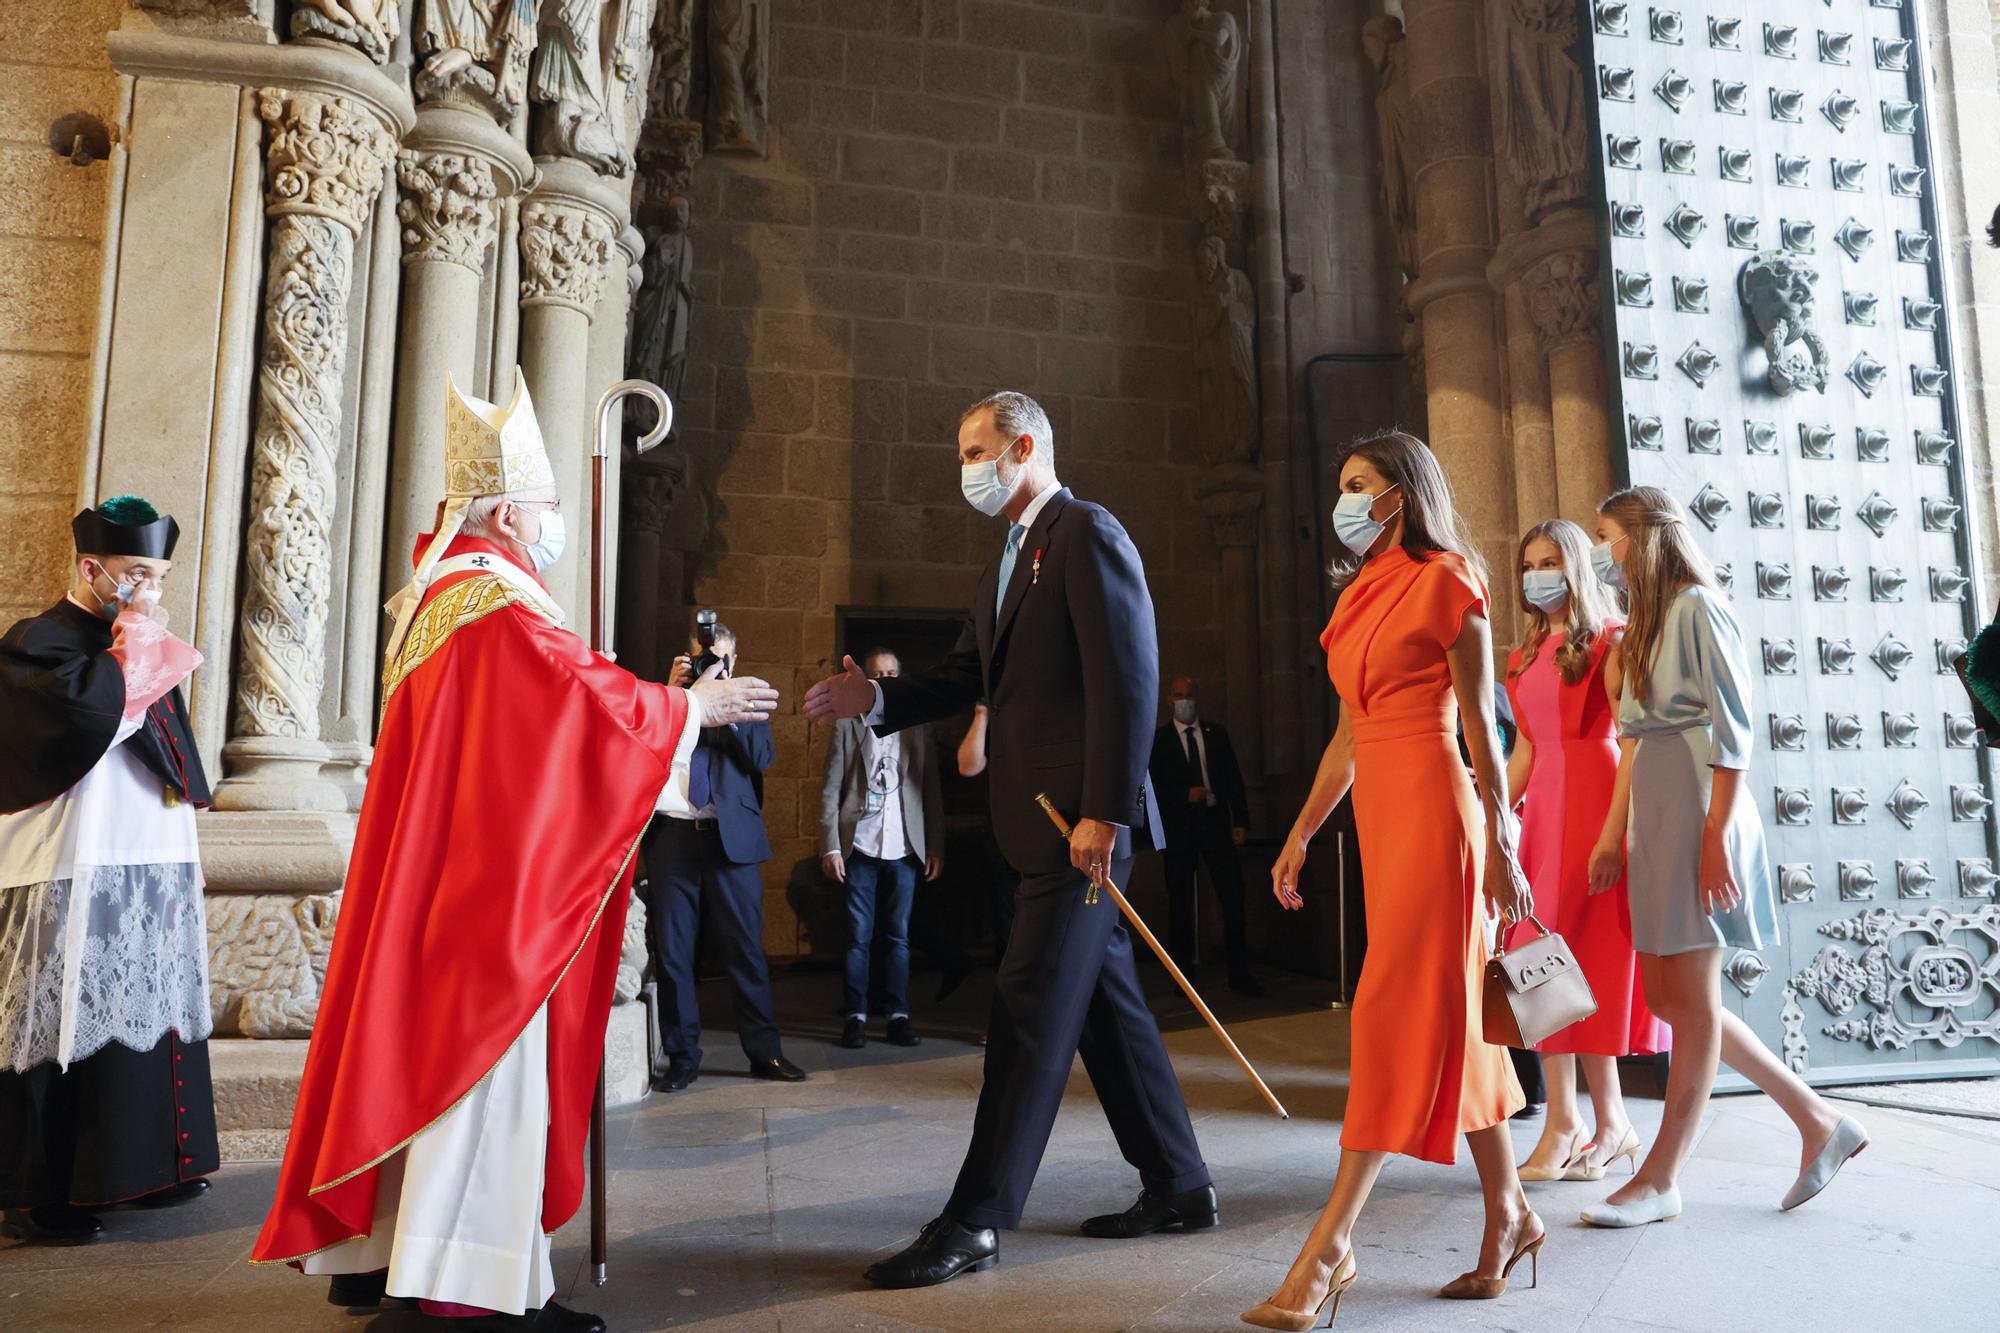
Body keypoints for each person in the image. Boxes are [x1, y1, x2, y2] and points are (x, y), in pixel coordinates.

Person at [251, 371, 779, 1332]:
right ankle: (469, 1288)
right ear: (501, 511)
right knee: (482, 1081)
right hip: (494, 896)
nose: (555, 522)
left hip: (451, 873)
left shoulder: (440, 597)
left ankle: (390, 1258)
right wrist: (688, 709)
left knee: (437, 1070)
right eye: (545, 506)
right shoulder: (492, 605)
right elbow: (572, 710)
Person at [805, 390, 1214, 1289]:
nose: (966, 470)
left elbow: (1127, 678)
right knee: (1108, 1016)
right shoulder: (1009, 554)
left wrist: (1106, 809)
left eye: (975, 450)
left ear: (1024, 446)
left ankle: (977, 1218)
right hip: (1042, 826)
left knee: (1026, 1011)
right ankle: (1181, 1186)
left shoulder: (1086, 532)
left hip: (1082, 829)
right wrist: (874, 699)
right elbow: (964, 674)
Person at [1246, 430, 1539, 1328]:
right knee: (1452, 1012)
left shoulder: (1450, 579)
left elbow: (1484, 734)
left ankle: (1331, 1244)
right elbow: (1346, 736)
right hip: (1382, 815)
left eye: (1358, 483)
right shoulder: (1358, 594)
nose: (1342, 498)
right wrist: (1300, 831)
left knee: (1389, 1009)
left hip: (1442, 811)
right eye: (1341, 483)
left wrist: (1502, 843)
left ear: (1399, 496)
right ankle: (1513, 1217)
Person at [1579, 488, 1866, 1228]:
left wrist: (1715, 841)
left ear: (1643, 537)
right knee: (1672, 999)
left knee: (1692, 998)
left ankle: (1662, 1176)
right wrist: (1618, 833)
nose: (1602, 553)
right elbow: (1635, 737)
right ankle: (1815, 1118)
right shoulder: (1647, 623)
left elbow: (1736, 735)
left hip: (1703, 809)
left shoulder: (1700, 607)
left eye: (1607, 537)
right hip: (1659, 810)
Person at [0, 497, 217, 1245]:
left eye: (156, 573)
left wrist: (139, 645)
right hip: (70, 857)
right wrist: (134, 653)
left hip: (146, 854)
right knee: (56, 1021)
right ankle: (39, 1195)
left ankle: (144, 1169)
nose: (147, 588)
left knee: (143, 1007)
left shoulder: (137, 636)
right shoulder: (39, 640)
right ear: (91, 568)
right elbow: (75, 729)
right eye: (133, 573)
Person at [1505, 519, 1668, 1183]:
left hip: (1592, 801)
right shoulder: (1520, 654)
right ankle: (1595, 1122)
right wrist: (1491, 814)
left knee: (1570, 959)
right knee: (1539, 958)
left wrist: (1612, 832)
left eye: (1549, 561)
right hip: (1542, 811)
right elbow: (1524, 746)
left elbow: (1631, 740)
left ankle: (1587, 1122)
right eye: (1528, 563)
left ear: (1573, 568)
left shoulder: (1608, 640)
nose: (1537, 573)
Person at [647, 623, 808, 1091]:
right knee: (675, 953)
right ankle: (682, 1057)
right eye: (705, 658)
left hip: (730, 839)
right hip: (673, 839)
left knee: (745, 951)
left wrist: (729, 709)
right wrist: (680, 701)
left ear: (735, 661)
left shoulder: (752, 704)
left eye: (721, 659)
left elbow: (762, 759)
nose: (714, 667)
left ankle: (765, 1052)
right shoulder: (666, 703)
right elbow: (642, 753)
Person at [820, 647, 945, 1049]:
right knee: (858, 936)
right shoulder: (847, 724)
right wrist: (830, 846)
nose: (886, 677)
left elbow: (931, 791)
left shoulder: (918, 724)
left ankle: (897, 1015)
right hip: (859, 845)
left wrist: (935, 846)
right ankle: (855, 1016)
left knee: (898, 936)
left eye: (892, 672)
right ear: (867, 678)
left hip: (905, 846)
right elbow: (830, 789)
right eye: (878, 672)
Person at [1148, 675, 1260, 995]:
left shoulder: (1216, 734)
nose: (1185, 701)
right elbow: (1154, 786)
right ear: (1170, 700)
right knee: (1180, 901)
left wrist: (1241, 819)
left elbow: (1233, 779)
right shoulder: (1160, 740)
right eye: (1179, 695)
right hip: (1180, 828)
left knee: (1232, 893)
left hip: (1214, 823)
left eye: (1190, 696)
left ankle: (1240, 975)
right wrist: (1184, 795)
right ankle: (1183, 980)